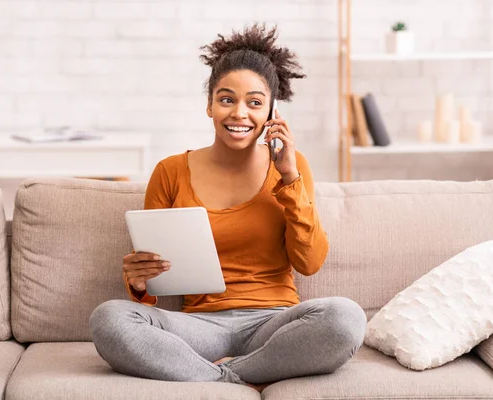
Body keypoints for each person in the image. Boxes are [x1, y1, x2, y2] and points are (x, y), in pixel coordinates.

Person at [89, 23, 366, 392]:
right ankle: (232, 376)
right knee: (109, 318)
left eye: (254, 102)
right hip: (198, 326)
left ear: (271, 112)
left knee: (344, 317)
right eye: (226, 99)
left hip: (272, 325)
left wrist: (289, 179)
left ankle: (225, 375)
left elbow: (309, 262)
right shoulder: (170, 171)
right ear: (209, 105)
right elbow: (154, 281)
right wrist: (139, 281)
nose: (239, 113)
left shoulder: (292, 167)